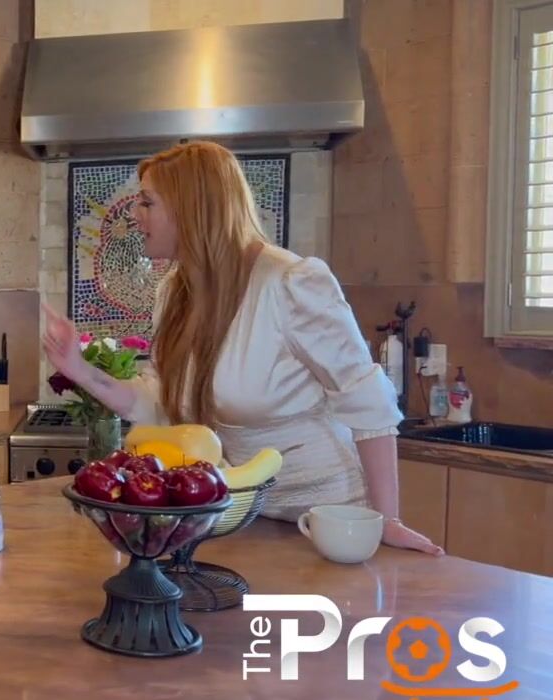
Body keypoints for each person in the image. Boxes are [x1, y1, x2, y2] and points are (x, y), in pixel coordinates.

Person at [43, 141, 441, 555]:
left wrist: (387, 520)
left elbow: (367, 403)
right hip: (248, 516)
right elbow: (157, 396)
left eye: (147, 202)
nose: (135, 214)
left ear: (191, 207)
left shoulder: (291, 282)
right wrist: (78, 368)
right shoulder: (174, 292)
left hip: (330, 521)